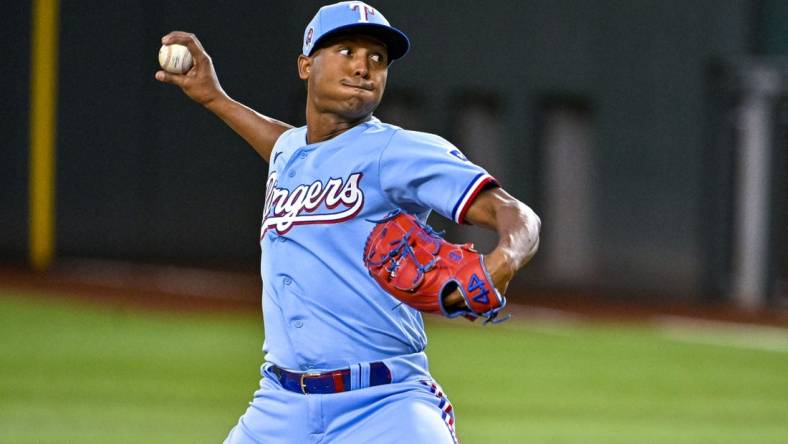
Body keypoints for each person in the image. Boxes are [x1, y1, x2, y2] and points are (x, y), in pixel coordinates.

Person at [155, 2, 540, 443]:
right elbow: (286, 144)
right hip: (279, 405)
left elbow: (515, 212)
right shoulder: (291, 151)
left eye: (377, 59)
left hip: (385, 402)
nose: (363, 67)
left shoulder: (398, 151)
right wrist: (214, 98)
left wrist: (506, 258)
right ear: (306, 65)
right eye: (347, 50)